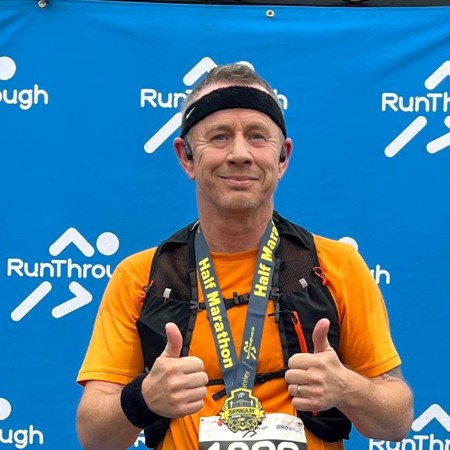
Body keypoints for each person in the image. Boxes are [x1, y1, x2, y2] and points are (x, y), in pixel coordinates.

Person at [76, 63, 413, 450]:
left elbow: (396, 421)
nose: (239, 154)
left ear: (282, 158)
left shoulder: (337, 265)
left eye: (257, 136)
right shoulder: (140, 276)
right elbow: (93, 436)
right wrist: (143, 399)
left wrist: (348, 388)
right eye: (219, 137)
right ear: (186, 157)